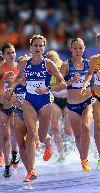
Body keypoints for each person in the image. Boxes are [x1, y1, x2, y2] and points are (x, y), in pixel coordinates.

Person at [13, 35, 66, 182]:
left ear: (44, 48)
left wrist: (47, 88)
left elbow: (63, 83)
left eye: (40, 46)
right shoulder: (24, 65)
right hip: (29, 101)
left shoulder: (48, 64)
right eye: (35, 45)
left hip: (44, 102)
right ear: (31, 48)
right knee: (31, 134)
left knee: (41, 137)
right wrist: (11, 87)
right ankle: (32, 171)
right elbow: (19, 79)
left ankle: (48, 143)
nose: (37, 48)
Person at [60, 38, 92, 172]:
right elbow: (57, 86)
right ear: (71, 50)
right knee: (78, 135)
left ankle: (86, 159)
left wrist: (85, 84)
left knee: (86, 127)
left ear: (84, 49)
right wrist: (71, 81)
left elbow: (91, 76)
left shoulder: (89, 63)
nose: (78, 51)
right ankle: (83, 158)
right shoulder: (66, 65)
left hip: (88, 101)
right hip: (72, 106)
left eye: (80, 48)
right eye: (75, 48)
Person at [0, 43, 20, 178]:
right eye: (8, 53)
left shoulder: (20, 66)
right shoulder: (0, 69)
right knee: (6, 135)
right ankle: (7, 165)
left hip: (16, 105)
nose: (11, 55)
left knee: (15, 132)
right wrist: (3, 80)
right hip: (1, 106)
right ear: (4, 55)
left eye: (13, 52)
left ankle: (14, 152)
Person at [46, 51, 73, 162]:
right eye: (49, 60)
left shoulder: (65, 67)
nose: (51, 62)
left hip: (68, 100)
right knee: (55, 128)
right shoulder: (46, 71)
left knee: (68, 130)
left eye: (53, 59)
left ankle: (74, 149)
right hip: (56, 101)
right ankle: (61, 155)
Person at [81, 32, 100, 169]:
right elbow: (88, 75)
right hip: (97, 95)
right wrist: (84, 84)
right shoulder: (94, 59)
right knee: (98, 128)